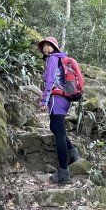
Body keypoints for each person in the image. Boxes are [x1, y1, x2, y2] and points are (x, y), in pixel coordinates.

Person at [38, 36, 80, 185]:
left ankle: (63, 173)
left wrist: (44, 99)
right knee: (55, 127)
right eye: (44, 46)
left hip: (57, 97)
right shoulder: (60, 59)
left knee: (59, 133)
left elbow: (50, 80)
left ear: (55, 48)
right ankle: (74, 154)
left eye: (49, 46)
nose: (45, 48)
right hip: (64, 98)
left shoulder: (53, 59)